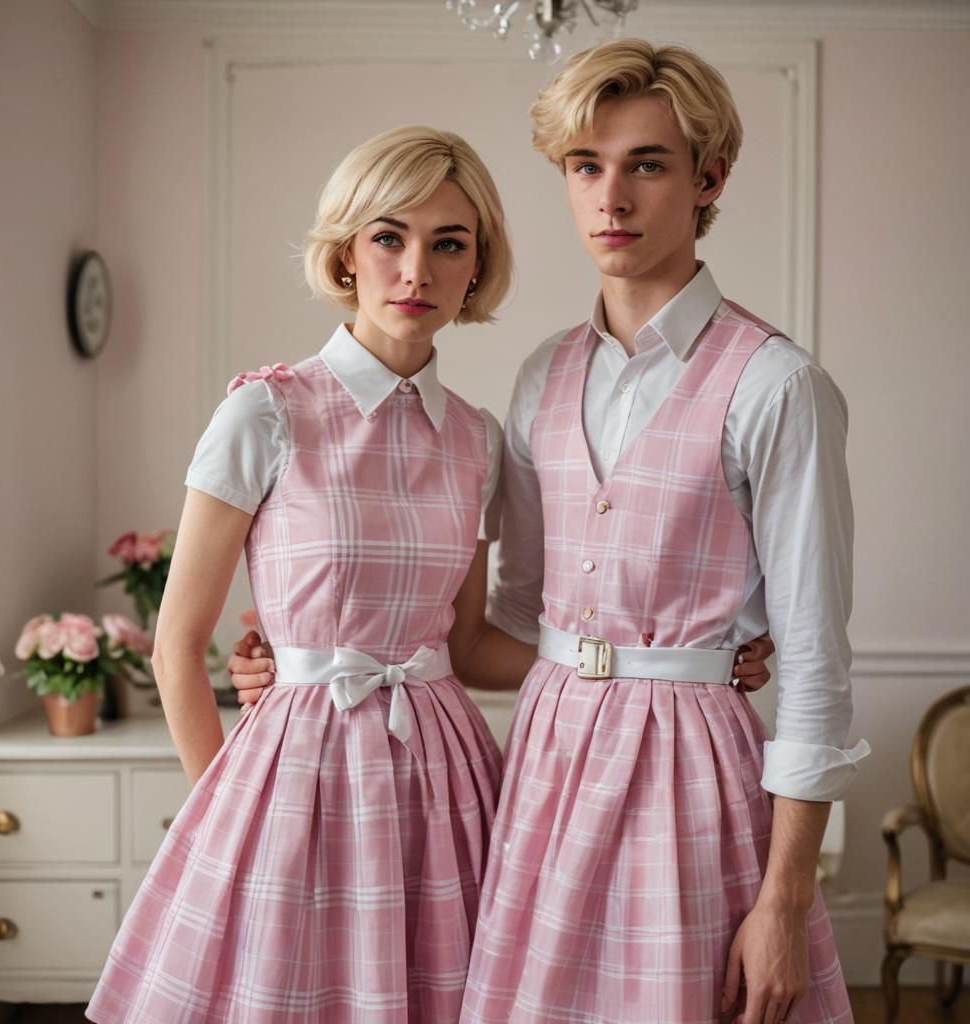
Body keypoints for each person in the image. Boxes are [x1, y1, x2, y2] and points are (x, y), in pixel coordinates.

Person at [453, 39, 869, 1024]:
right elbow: (506, 624)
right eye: (584, 167)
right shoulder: (539, 378)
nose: (611, 198)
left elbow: (812, 660)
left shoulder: (777, 384)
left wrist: (784, 898)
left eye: (646, 164)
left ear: (707, 179)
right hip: (545, 774)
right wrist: (291, 662)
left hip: (694, 785)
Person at [87, 124, 531, 1024]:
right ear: (345, 254)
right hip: (296, 772)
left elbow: (473, 642)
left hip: (444, 776)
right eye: (389, 237)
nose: (417, 271)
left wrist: (633, 656)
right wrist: (224, 811)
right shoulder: (267, 410)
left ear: (477, 268)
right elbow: (177, 644)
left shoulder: (480, 440)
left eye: (449, 244)